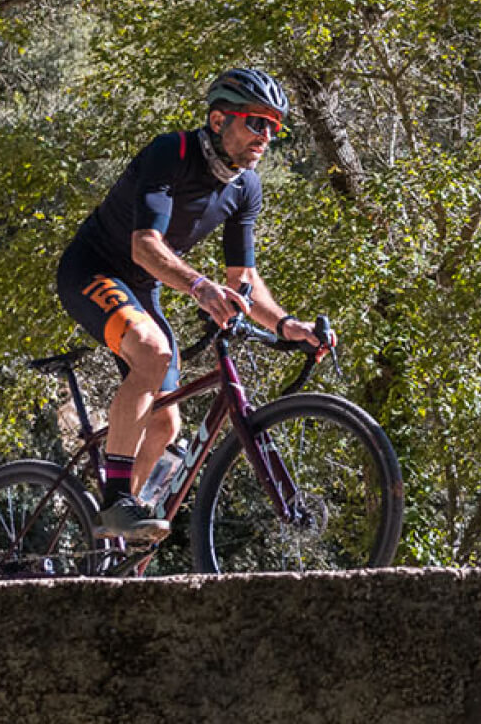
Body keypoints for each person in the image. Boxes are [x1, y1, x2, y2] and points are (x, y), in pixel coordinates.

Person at [53, 67, 336, 542]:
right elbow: (145, 246)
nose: (267, 136)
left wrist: (288, 324)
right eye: (256, 123)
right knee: (152, 350)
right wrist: (201, 288)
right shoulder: (173, 153)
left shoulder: (245, 187)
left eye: (275, 127)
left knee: (165, 421)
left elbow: (244, 279)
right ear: (220, 118)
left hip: (144, 286)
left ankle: (111, 538)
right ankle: (117, 499)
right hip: (94, 269)